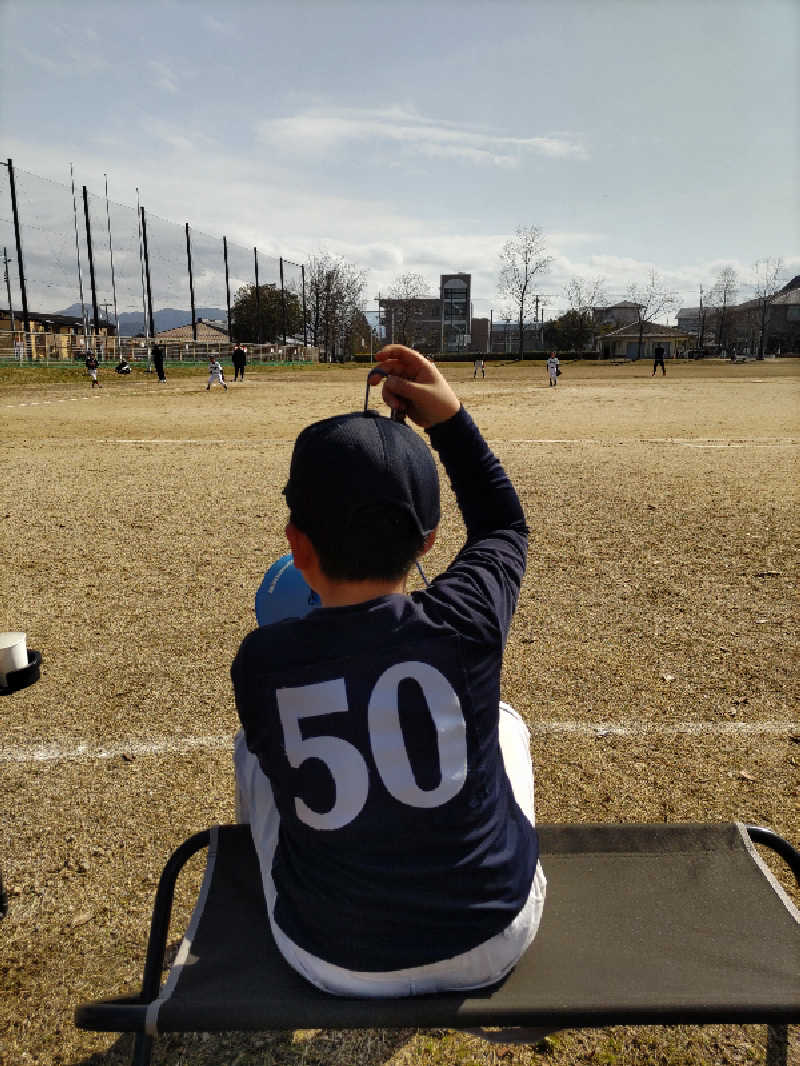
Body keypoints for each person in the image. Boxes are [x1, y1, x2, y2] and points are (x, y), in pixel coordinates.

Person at [231, 344, 545, 998]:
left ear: (296, 544)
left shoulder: (261, 662)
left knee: (252, 751)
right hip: (494, 937)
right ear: (429, 539)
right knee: (505, 721)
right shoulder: (468, 620)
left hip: (330, 956)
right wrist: (450, 419)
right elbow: (503, 526)